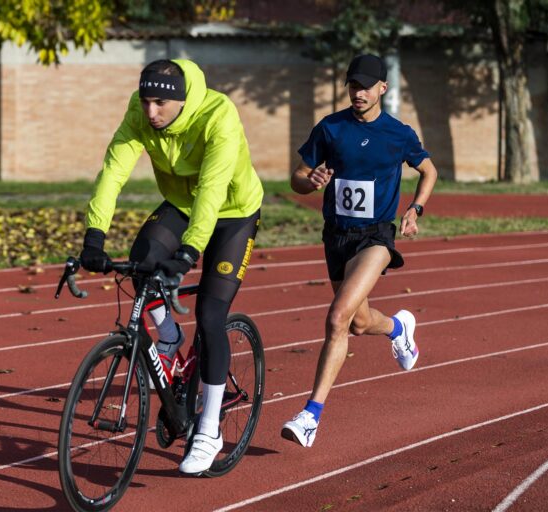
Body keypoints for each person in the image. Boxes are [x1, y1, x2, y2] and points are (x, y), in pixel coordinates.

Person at [79, 59, 263, 473]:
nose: (150, 111)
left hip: (233, 212)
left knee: (210, 315)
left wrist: (189, 252)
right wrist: (94, 236)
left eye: (160, 103)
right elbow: (113, 171)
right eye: (145, 101)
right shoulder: (140, 111)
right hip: (181, 204)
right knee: (141, 263)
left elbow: (212, 189)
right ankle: (168, 335)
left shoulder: (218, 115)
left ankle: (209, 429)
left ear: (181, 100)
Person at [281, 54, 438, 448]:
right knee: (359, 323)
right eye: (353, 85)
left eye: (366, 86)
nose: (359, 92)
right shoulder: (331, 128)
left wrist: (415, 209)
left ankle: (310, 416)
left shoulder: (398, 133)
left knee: (337, 318)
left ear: (383, 88)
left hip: (376, 237)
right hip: (336, 237)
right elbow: (297, 179)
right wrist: (311, 180)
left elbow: (429, 170)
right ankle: (398, 328)